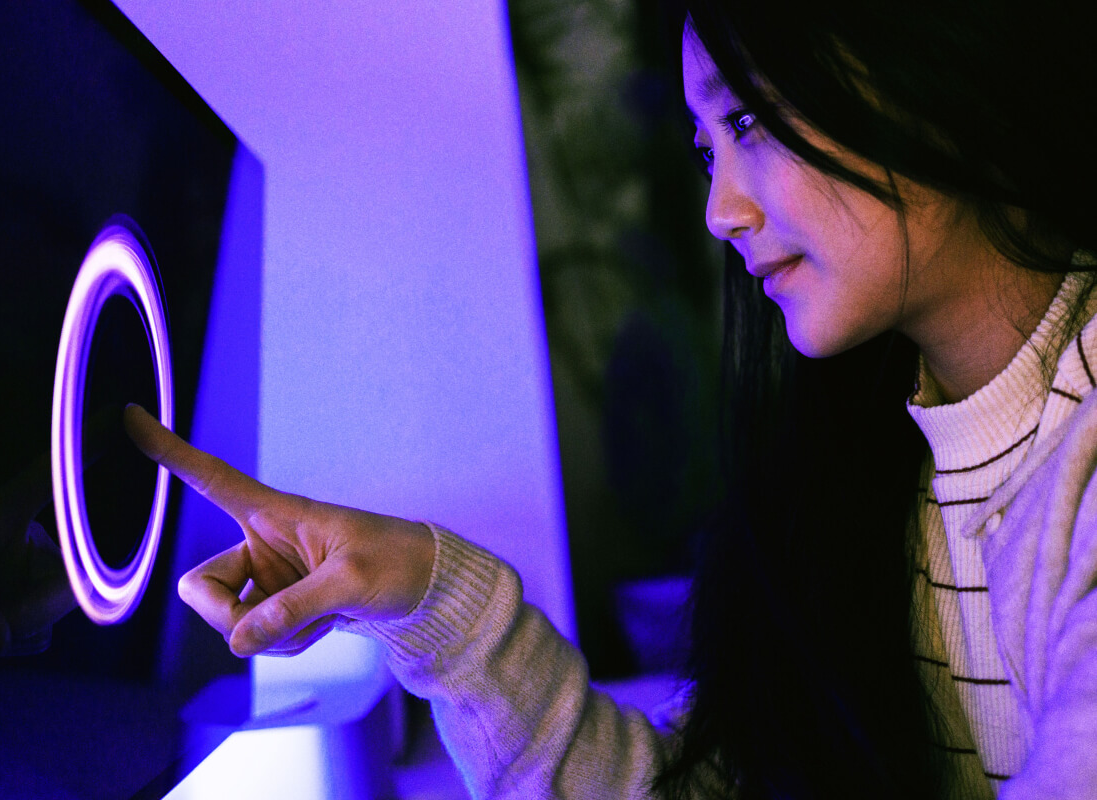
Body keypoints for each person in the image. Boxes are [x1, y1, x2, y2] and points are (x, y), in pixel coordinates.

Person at [124, 0, 1097, 797]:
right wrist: (432, 596)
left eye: (749, 121)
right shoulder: (868, 468)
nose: (722, 211)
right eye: (707, 150)